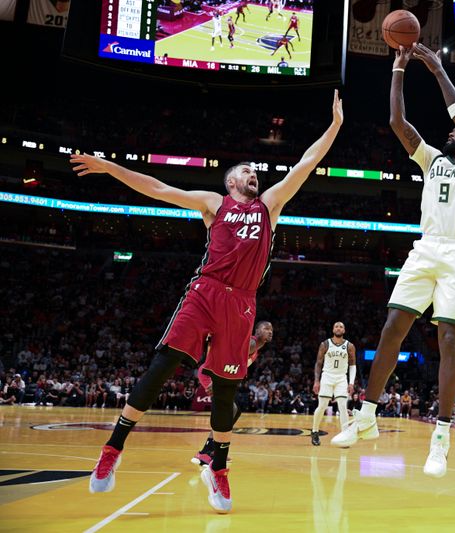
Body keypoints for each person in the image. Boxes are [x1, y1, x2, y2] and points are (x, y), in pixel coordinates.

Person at [71, 90, 343, 514]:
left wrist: (334, 127)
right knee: (163, 366)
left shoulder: (270, 205)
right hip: (206, 291)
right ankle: (114, 447)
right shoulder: (213, 203)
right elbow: (158, 187)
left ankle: (217, 464)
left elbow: (306, 163)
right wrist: (109, 167)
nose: (255, 175)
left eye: (257, 172)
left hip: (243, 303)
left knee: (226, 392)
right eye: (247, 172)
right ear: (232, 181)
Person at [332, 43, 455, 480]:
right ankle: (366, 416)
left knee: (449, 341)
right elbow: (396, 123)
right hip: (426, 247)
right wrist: (399, 71)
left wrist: (438, 69)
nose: (449, 132)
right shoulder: (431, 160)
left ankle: (441, 438)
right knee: (392, 328)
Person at [192, 321, 273, 466]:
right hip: (212, 374)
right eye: (266, 328)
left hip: (218, 375)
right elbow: (225, 356)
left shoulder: (256, 349)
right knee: (227, 412)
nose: (270, 331)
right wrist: (215, 381)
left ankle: (214, 449)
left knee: (233, 412)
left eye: (271, 329)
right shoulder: (251, 344)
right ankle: (206, 452)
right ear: (257, 331)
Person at [311, 322, 356, 446]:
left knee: (343, 407)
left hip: (341, 378)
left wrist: (351, 383)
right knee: (322, 406)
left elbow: (352, 365)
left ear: (344, 330)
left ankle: (345, 435)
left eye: (341, 326)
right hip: (327, 376)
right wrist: (316, 380)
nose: (338, 328)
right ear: (333, 329)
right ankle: (314, 431)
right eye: (336, 326)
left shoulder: (349, 346)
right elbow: (318, 363)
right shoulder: (325, 344)